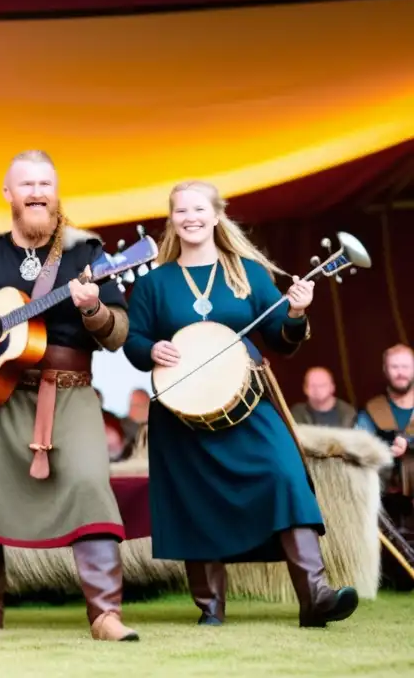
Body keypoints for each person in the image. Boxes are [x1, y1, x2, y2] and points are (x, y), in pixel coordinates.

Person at [0, 150, 138, 642]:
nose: (37, 192)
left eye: (45, 184)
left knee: (87, 483)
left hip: (70, 392)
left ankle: (105, 614)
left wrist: (95, 307)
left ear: (56, 192)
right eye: (27, 185)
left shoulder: (89, 253)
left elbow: (119, 333)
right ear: (8, 194)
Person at [122, 180, 358, 629]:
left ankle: (317, 596)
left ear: (216, 215)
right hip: (180, 413)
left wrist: (296, 312)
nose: (190, 217)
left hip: (247, 404)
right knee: (195, 500)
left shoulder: (247, 272)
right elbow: (133, 341)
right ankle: (211, 609)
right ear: (172, 220)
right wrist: (150, 350)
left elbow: (281, 339)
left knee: (286, 475)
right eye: (180, 211)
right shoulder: (154, 283)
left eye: (198, 209)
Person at [355, 344, 413, 537]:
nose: (400, 373)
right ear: (385, 371)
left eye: (405, 366)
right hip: (386, 508)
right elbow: (358, 445)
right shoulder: (372, 410)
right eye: (394, 367)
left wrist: (410, 446)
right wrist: (384, 450)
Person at [291, 367, 356, 428]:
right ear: (305, 389)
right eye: (312, 386)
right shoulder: (297, 413)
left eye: (322, 385)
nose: (317, 390)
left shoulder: (347, 413)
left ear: (332, 387)